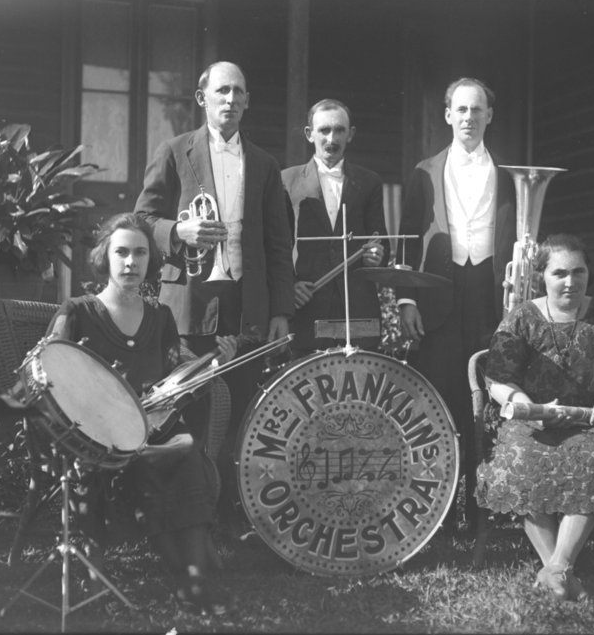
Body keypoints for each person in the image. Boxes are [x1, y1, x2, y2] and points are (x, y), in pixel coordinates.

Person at [46, 213, 238, 615]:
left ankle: (191, 580)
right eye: (122, 252)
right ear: (105, 257)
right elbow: (54, 374)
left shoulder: (161, 317)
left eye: (140, 253)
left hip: (154, 430)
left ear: (152, 261)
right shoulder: (78, 311)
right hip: (99, 437)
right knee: (168, 457)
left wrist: (208, 366)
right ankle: (193, 579)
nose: (131, 262)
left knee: (183, 446)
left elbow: (174, 379)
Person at [133, 61, 296, 527]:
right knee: (187, 412)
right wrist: (179, 230)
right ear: (202, 98)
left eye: (239, 93)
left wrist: (281, 310)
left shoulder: (264, 164)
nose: (230, 100)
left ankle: (228, 516)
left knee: (240, 412)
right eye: (222, 91)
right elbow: (140, 221)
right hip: (187, 306)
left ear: (246, 102)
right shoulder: (173, 151)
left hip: (244, 305)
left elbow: (278, 244)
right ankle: (180, 517)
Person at [477, 233, 594, 601]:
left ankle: (556, 569)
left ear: (589, 273)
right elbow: (496, 377)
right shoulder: (522, 317)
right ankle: (562, 573)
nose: (570, 281)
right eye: (560, 273)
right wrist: (529, 407)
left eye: (579, 271)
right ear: (542, 275)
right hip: (533, 424)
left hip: (593, 424)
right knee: (519, 459)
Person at [396, 77, 516, 534]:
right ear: (447, 115)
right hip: (438, 297)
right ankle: (441, 513)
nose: (469, 117)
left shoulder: (507, 175)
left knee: (485, 403)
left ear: (489, 115)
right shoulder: (425, 171)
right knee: (442, 402)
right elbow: (408, 234)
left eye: (477, 110)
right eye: (461, 110)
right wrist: (407, 298)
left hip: (489, 294)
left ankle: (483, 511)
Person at [282, 99, 386, 354]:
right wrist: (290, 286)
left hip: (357, 309)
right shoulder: (286, 181)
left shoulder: (369, 182)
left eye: (339, 130)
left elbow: (382, 241)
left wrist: (377, 255)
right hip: (307, 308)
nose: (331, 138)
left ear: (350, 134)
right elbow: (276, 247)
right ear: (309, 134)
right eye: (324, 130)